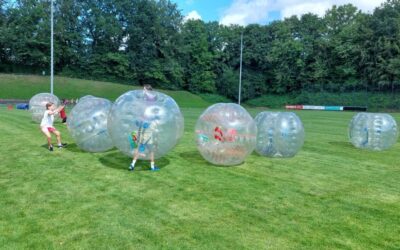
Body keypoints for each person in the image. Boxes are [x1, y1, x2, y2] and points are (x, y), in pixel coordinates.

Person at [129, 84, 159, 171]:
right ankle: (136, 164)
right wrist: (139, 121)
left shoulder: (151, 100)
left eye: (144, 90)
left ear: (148, 91)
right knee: (144, 147)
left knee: (147, 148)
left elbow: (153, 101)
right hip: (145, 126)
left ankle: (134, 165)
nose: (143, 91)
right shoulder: (145, 102)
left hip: (148, 126)